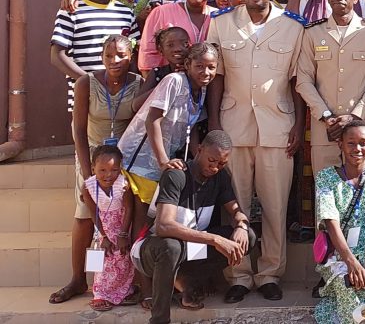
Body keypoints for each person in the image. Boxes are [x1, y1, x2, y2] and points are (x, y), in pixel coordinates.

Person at [206, 0, 306, 302]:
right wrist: (216, 123)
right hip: (233, 126)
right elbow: (215, 77)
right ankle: (238, 274)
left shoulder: (293, 26)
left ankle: (269, 273)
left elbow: (298, 80)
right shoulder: (221, 22)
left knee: (276, 205)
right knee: (236, 203)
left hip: (278, 125)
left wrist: (299, 124)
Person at [48, 33, 141, 306]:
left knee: (123, 219)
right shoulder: (85, 82)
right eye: (109, 55)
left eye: (121, 55)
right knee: (87, 217)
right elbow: (77, 129)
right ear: (102, 56)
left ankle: (125, 282)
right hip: (92, 159)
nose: (115, 60)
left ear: (130, 56)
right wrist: (88, 173)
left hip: (122, 164)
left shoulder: (138, 84)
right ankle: (79, 278)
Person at [135, 130, 256, 324]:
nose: (215, 167)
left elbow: (235, 210)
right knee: (171, 246)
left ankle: (186, 281)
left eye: (222, 163)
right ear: (199, 150)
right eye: (211, 160)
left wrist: (241, 225)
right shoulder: (176, 174)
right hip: (151, 250)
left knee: (246, 237)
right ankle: (160, 319)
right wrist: (215, 239)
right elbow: (163, 227)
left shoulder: (220, 177)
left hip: (188, 248)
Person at [296, 0, 365, 173]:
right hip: (325, 130)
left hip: (362, 130)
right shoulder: (313, 33)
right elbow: (303, 80)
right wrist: (326, 116)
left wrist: (354, 116)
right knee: (326, 196)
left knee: (363, 195)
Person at [119, 42, 217, 240]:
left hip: (162, 162)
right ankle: (139, 265)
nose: (205, 72)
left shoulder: (202, 89)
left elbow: (194, 124)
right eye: (199, 66)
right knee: (142, 215)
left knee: (151, 217)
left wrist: (196, 157)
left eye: (211, 67)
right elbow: (152, 119)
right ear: (188, 64)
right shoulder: (174, 81)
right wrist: (163, 160)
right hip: (141, 160)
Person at [313, 121, 365, 323]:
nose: (357, 149)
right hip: (340, 251)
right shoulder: (326, 177)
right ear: (340, 144)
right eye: (350, 143)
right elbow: (330, 221)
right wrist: (350, 261)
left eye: (363, 143)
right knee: (347, 280)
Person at [81, 145, 135, 311]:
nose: (108, 175)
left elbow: (129, 209)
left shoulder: (123, 186)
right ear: (93, 168)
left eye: (114, 169)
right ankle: (100, 294)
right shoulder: (88, 187)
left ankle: (124, 292)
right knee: (104, 260)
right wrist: (103, 236)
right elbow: (93, 212)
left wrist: (123, 234)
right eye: (102, 170)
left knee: (123, 259)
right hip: (103, 228)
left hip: (121, 227)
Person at [138, 0, 215, 75]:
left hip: (209, 82)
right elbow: (148, 53)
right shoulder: (161, 12)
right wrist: (153, 83)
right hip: (169, 82)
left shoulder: (219, 16)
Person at [134, 27, 189, 105]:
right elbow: (135, 105)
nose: (178, 49)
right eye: (170, 45)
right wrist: (166, 85)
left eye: (185, 44)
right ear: (161, 50)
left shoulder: (195, 72)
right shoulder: (158, 73)